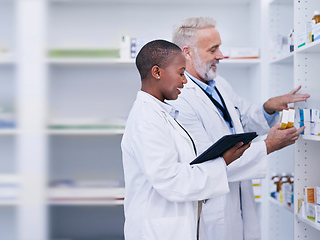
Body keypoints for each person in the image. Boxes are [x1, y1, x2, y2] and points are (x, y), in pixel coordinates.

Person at [168, 17, 309, 240]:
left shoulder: (219, 84)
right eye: (213, 49)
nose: (221, 56)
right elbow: (209, 160)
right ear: (187, 52)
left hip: (240, 200)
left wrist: (268, 108)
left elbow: (241, 119)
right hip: (213, 208)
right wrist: (268, 146)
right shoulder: (180, 99)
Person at [121, 39, 253, 240]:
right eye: (181, 73)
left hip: (176, 226)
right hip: (156, 231)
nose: (185, 81)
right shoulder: (147, 119)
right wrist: (223, 161)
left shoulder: (161, 113)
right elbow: (171, 180)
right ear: (157, 72)